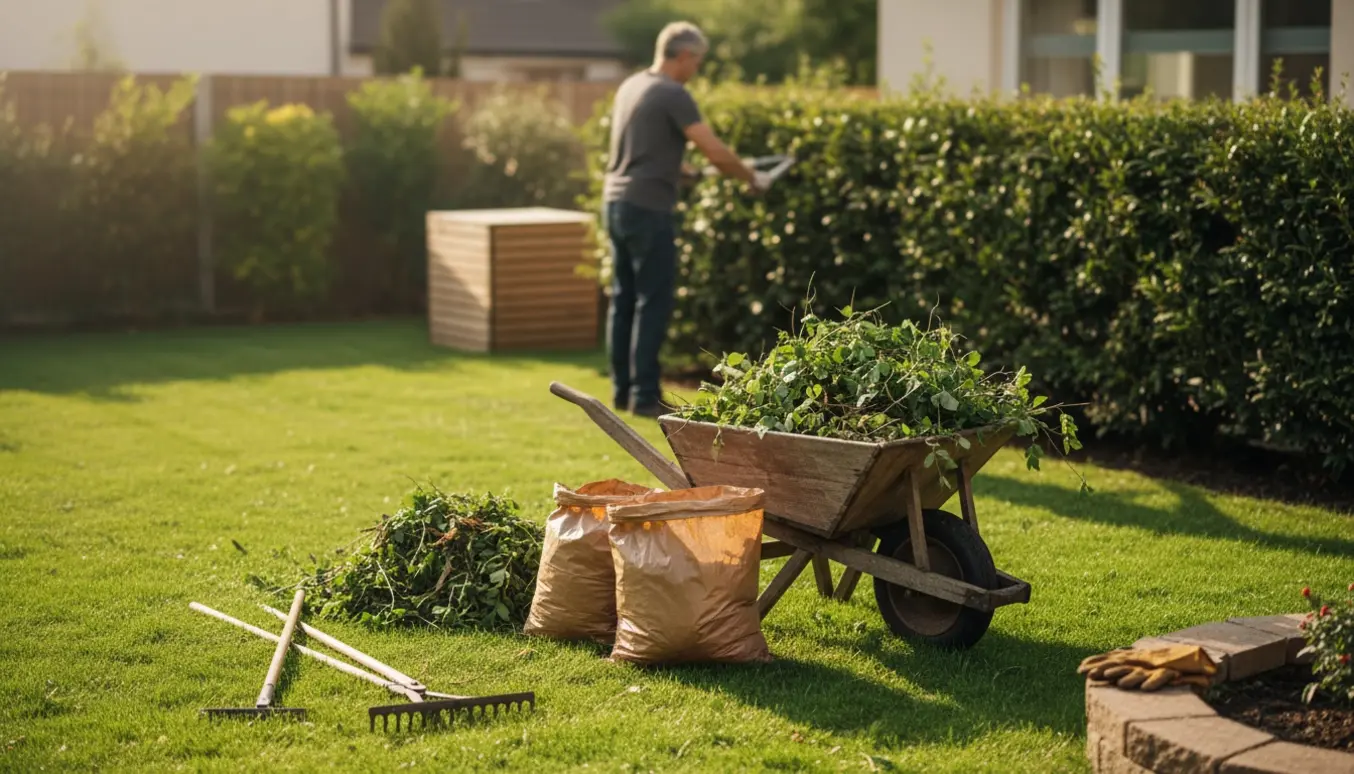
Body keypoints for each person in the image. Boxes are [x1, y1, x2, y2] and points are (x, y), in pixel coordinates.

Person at [602, 21, 774, 418]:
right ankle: (645, 397)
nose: (697, 68)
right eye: (698, 61)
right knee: (653, 302)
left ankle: (621, 391)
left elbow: (643, 152)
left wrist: (685, 172)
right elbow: (715, 151)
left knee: (623, 300)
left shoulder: (632, 86)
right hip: (648, 208)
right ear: (683, 56)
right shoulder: (673, 94)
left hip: (616, 203)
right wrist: (753, 177)